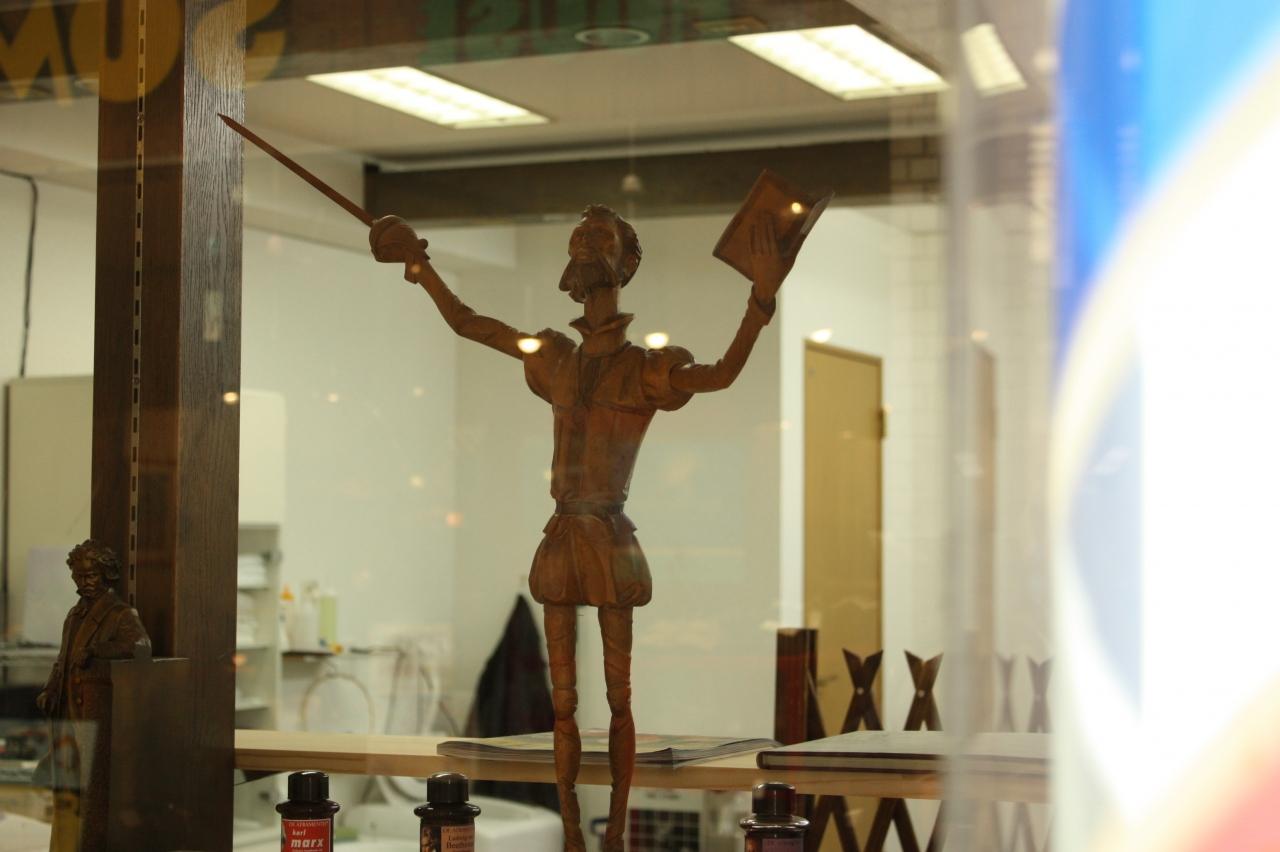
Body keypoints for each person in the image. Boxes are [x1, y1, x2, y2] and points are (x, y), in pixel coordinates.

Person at [371, 205, 794, 852]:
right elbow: (469, 323)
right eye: (579, 237)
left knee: (619, 699)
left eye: (599, 239)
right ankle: (572, 832)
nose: (584, 245)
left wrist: (759, 300)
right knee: (562, 702)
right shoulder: (555, 357)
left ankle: (615, 834)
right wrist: (418, 263)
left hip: (608, 538)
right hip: (563, 536)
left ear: (627, 263)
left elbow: (720, 374)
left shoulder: (645, 368)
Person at [37, 540, 150, 852]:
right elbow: (62, 660)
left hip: (92, 711)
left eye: (91, 576)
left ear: (107, 575)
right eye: (79, 576)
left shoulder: (119, 613)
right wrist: (50, 689)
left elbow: (141, 647)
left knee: (90, 792)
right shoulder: (74, 614)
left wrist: (98, 650)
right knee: (65, 790)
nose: (84, 582)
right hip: (66, 709)